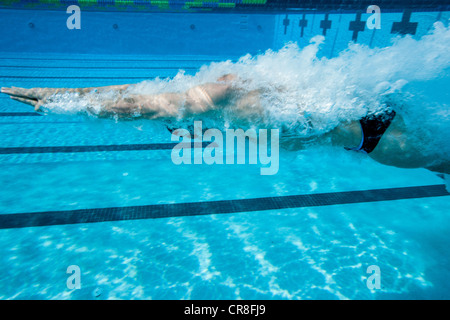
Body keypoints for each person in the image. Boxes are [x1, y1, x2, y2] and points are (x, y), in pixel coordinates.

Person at [1, 74, 449, 182]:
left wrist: (57, 102)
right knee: (442, 162)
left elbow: (136, 105)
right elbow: (135, 94)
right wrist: (62, 95)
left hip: (378, 135)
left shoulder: (212, 98)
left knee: (442, 162)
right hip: (371, 121)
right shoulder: (225, 100)